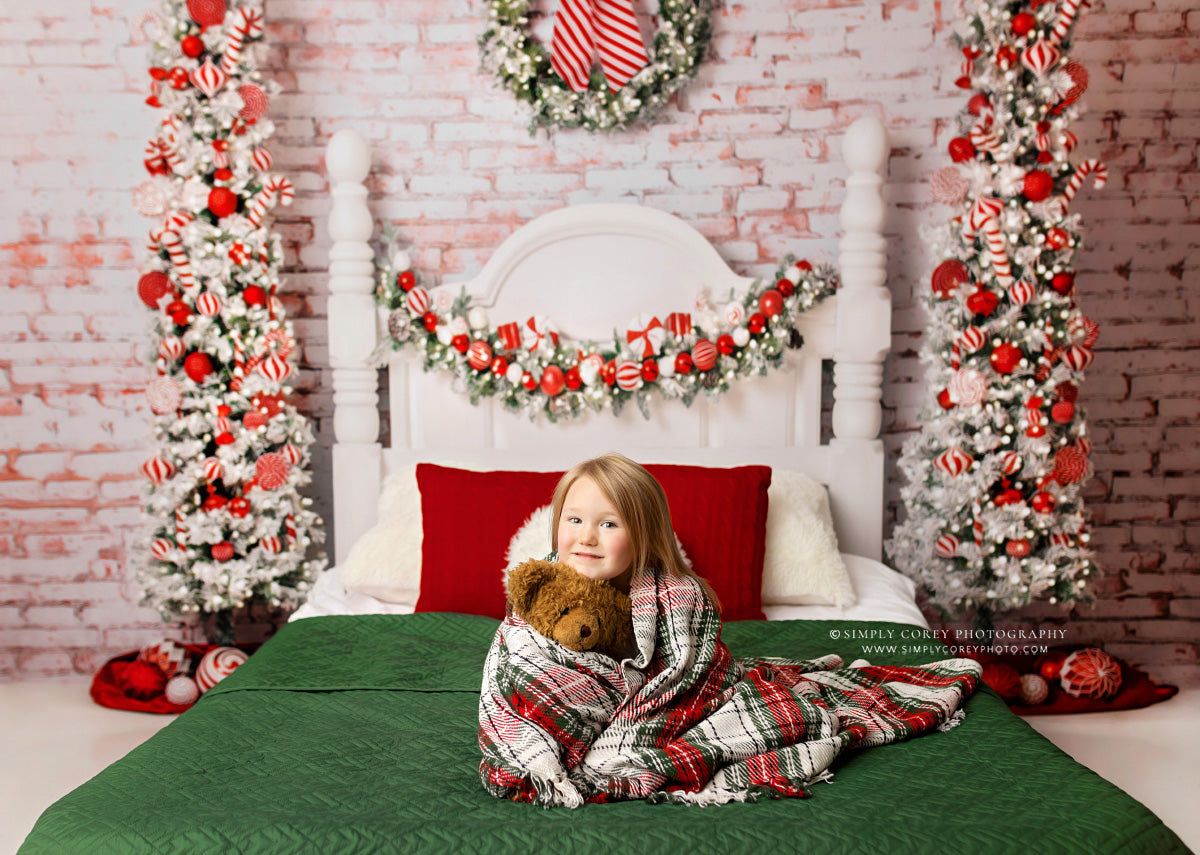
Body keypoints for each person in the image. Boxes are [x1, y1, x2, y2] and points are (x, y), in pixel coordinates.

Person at [548, 452, 719, 609]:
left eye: (608, 524)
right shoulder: (539, 589)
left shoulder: (677, 600)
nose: (586, 538)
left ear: (646, 537)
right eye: (575, 520)